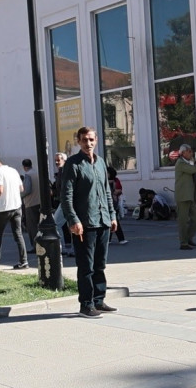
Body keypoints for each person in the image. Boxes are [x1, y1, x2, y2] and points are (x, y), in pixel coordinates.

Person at [61, 126, 118, 318]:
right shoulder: (73, 163)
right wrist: (73, 220)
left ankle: (99, 300)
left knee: (100, 264)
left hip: (102, 221)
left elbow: (106, 191)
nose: (88, 143)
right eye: (84, 140)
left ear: (96, 140)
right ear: (78, 141)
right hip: (84, 224)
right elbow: (66, 195)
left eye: (91, 140)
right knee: (87, 266)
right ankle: (86, 304)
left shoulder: (101, 162)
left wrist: (112, 215)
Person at [0, 158, 28, 269]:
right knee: (18, 234)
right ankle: (24, 261)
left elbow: (0, 191)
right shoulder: (13, 170)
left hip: (4, 208)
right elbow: (21, 188)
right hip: (17, 206)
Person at [174, 143, 196, 250]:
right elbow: (193, 169)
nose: (191, 153)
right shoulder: (180, 163)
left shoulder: (187, 162)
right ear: (183, 152)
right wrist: (195, 164)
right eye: (189, 151)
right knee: (183, 221)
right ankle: (183, 243)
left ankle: (189, 238)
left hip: (190, 196)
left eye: (191, 151)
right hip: (183, 196)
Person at [51, 152, 74, 256]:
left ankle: (63, 248)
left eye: (58, 160)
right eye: (55, 160)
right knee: (70, 224)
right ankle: (66, 248)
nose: (56, 162)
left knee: (56, 224)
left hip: (68, 201)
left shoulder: (67, 170)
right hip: (64, 201)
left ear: (64, 160)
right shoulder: (61, 171)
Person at [21, 158, 41, 254]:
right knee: (40, 225)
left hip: (31, 203)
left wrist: (19, 195)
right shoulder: (37, 173)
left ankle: (35, 246)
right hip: (39, 201)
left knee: (32, 227)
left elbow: (27, 190)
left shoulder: (28, 175)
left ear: (24, 167)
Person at [107, 166, 129, 245]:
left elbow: (118, 190)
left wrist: (113, 190)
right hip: (106, 203)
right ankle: (113, 239)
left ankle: (120, 239)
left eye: (107, 173)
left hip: (113, 203)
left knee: (114, 220)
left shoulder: (115, 181)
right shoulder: (103, 180)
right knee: (111, 221)